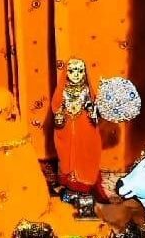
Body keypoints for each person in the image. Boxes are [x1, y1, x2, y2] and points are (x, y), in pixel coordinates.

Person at [52, 58, 102, 201]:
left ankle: (83, 186)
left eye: (80, 71)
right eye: (72, 70)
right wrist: (59, 114)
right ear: (66, 72)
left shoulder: (86, 90)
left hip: (84, 127)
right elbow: (57, 106)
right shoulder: (63, 90)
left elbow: (92, 107)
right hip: (67, 128)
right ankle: (69, 186)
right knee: (66, 152)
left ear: (84, 73)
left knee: (85, 151)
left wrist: (92, 111)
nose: (76, 74)